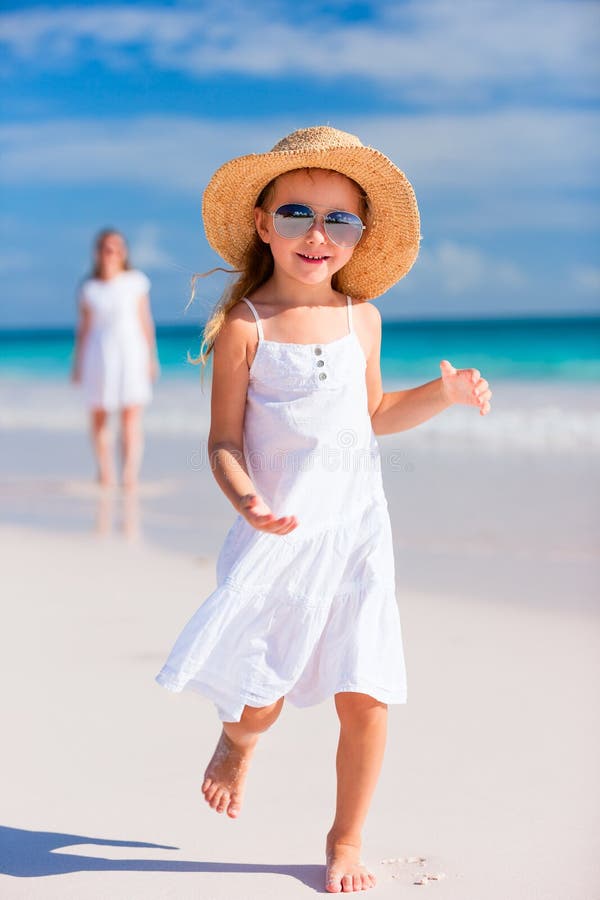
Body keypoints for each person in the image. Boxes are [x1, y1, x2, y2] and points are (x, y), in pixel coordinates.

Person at [155, 126, 492, 894]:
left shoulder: (360, 317)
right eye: (299, 212)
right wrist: (245, 497)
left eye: (340, 218)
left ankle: (345, 838)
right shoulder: (247, 325)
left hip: (357, 536)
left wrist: (442, 393)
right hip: (279, 538)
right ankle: (239, 742)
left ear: (359, 236)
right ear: (261, 221)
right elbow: (222, 442)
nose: (318, 233)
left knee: (367, 696)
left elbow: (371, 412)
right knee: (260, 702)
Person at [71, 228, 160, 489]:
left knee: (130, 415)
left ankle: (130, 475)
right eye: (105, 249)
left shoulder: (136, 281)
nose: (111, 254)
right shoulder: (89, 288)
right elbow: (83, 328)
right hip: (98, 356)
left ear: (124, 252)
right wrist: (77, 362)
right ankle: (105, 472)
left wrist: (151, 357)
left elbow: (146, 321)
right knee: (99, 414)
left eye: (116, 248)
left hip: (131, 354)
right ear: (97, 253)